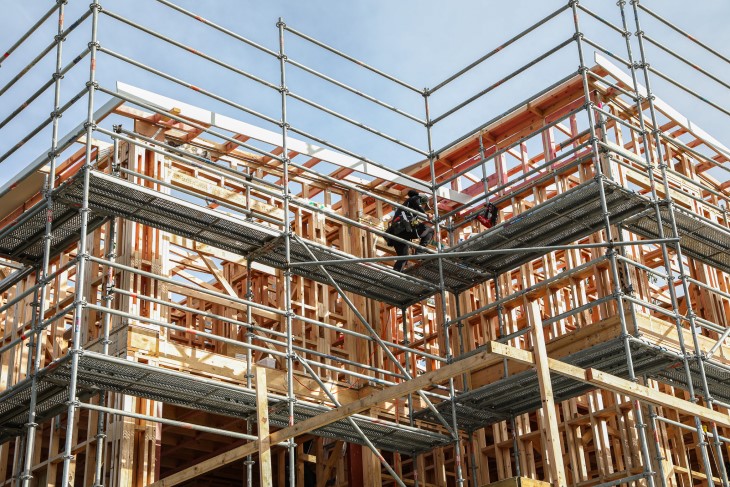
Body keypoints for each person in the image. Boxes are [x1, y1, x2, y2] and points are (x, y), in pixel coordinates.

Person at [387, 190, 434, 272]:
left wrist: (424, 222)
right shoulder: (415, 199)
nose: (423, 207)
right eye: (423, 205)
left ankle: (396, 275)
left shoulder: (408, 211)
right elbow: (414, 200)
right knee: (430, 231)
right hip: (403, 229)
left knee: (403, 257)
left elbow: (414, 223)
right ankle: (420, 252)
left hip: (397, 233)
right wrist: (425, 214)